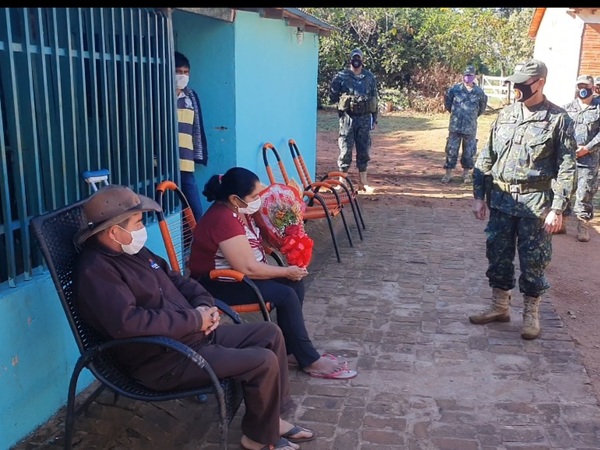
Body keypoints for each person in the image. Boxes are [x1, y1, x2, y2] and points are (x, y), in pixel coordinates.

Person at [73, 184, 316, 450]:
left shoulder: (133, 250)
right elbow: (129, 323)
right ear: (114, 231)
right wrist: (194, 320)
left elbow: (178, 281)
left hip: (192, 337)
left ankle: (271, 420)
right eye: (138, 222)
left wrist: (205, 306)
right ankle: (258, 438)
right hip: (164, 359)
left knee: (269, 334)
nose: (142, 229)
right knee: (261, 360)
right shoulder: (96, 271)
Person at [188, 167, 358, 380]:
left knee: (294, 285)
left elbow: (256, 245)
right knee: (285, 293)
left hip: (238, 278)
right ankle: (311, 360)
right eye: (254, 196)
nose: (259, 199)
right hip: (216, 285)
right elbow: (247, 268)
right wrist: (286, 270)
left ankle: (289, 350)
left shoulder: (239, 211)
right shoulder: (223, 219)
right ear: (235, 198)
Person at [469, 59, 577, 341]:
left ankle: (531, 314)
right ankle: (499, 306)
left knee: (534, 261)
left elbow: (567, 167)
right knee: (498, 255)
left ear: (540, 82)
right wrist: (479, 195)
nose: (517, 88)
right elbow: (486, 156)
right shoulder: (505, 115)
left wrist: (558, 208)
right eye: (515, 83)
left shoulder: (558, 119)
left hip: (536, 204)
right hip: (502, 201)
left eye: (523, 83)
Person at [329, 48, 379, 194]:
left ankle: (363, 183)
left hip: (364, 119)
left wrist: (374, 119)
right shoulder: (342, 76)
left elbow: (374, 98)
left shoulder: (369, 77)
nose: (356, 60)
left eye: (359, 58)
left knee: (363, 150)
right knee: (345, 150)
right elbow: (332, 96)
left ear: (362, 60)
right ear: (350, 59)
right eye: (354, 57)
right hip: (348, 119)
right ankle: (341, 183)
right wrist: (344, 101)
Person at [561, 75, 600, 242]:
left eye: (586, 86)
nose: (582, 89)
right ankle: (561, 221)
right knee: (564, 190)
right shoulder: (567, 108)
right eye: (579, 86)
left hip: (589, 160)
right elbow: (560, 131)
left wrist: (587, 148)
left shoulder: (598, 108)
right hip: (568, 159)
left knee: (585, 193)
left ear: (592, 88)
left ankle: (583, 225)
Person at [441, 65, 488, 184]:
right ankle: (448, 174)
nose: (468, 77)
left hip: (470, 127)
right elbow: (448, 104)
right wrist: (456, 114)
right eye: (466, 75)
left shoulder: (479, 92)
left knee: (469, 152)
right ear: (463, 76)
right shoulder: (455, 90)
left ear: (474, 76)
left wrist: (471, 116)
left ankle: (466, 174)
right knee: (451, 150)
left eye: (470, 75)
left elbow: (481, 108)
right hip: (455, 125)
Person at [175, 51, 208, 220]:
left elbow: (197, 127)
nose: (182, 76)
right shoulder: (159, 96)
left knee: (193, 206)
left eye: (185, 72)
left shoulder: (190, 97)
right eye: (178, 71)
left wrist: (198, 154)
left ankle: (197, 239)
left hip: (186, 159)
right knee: (166, 204)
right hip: (160, 161)